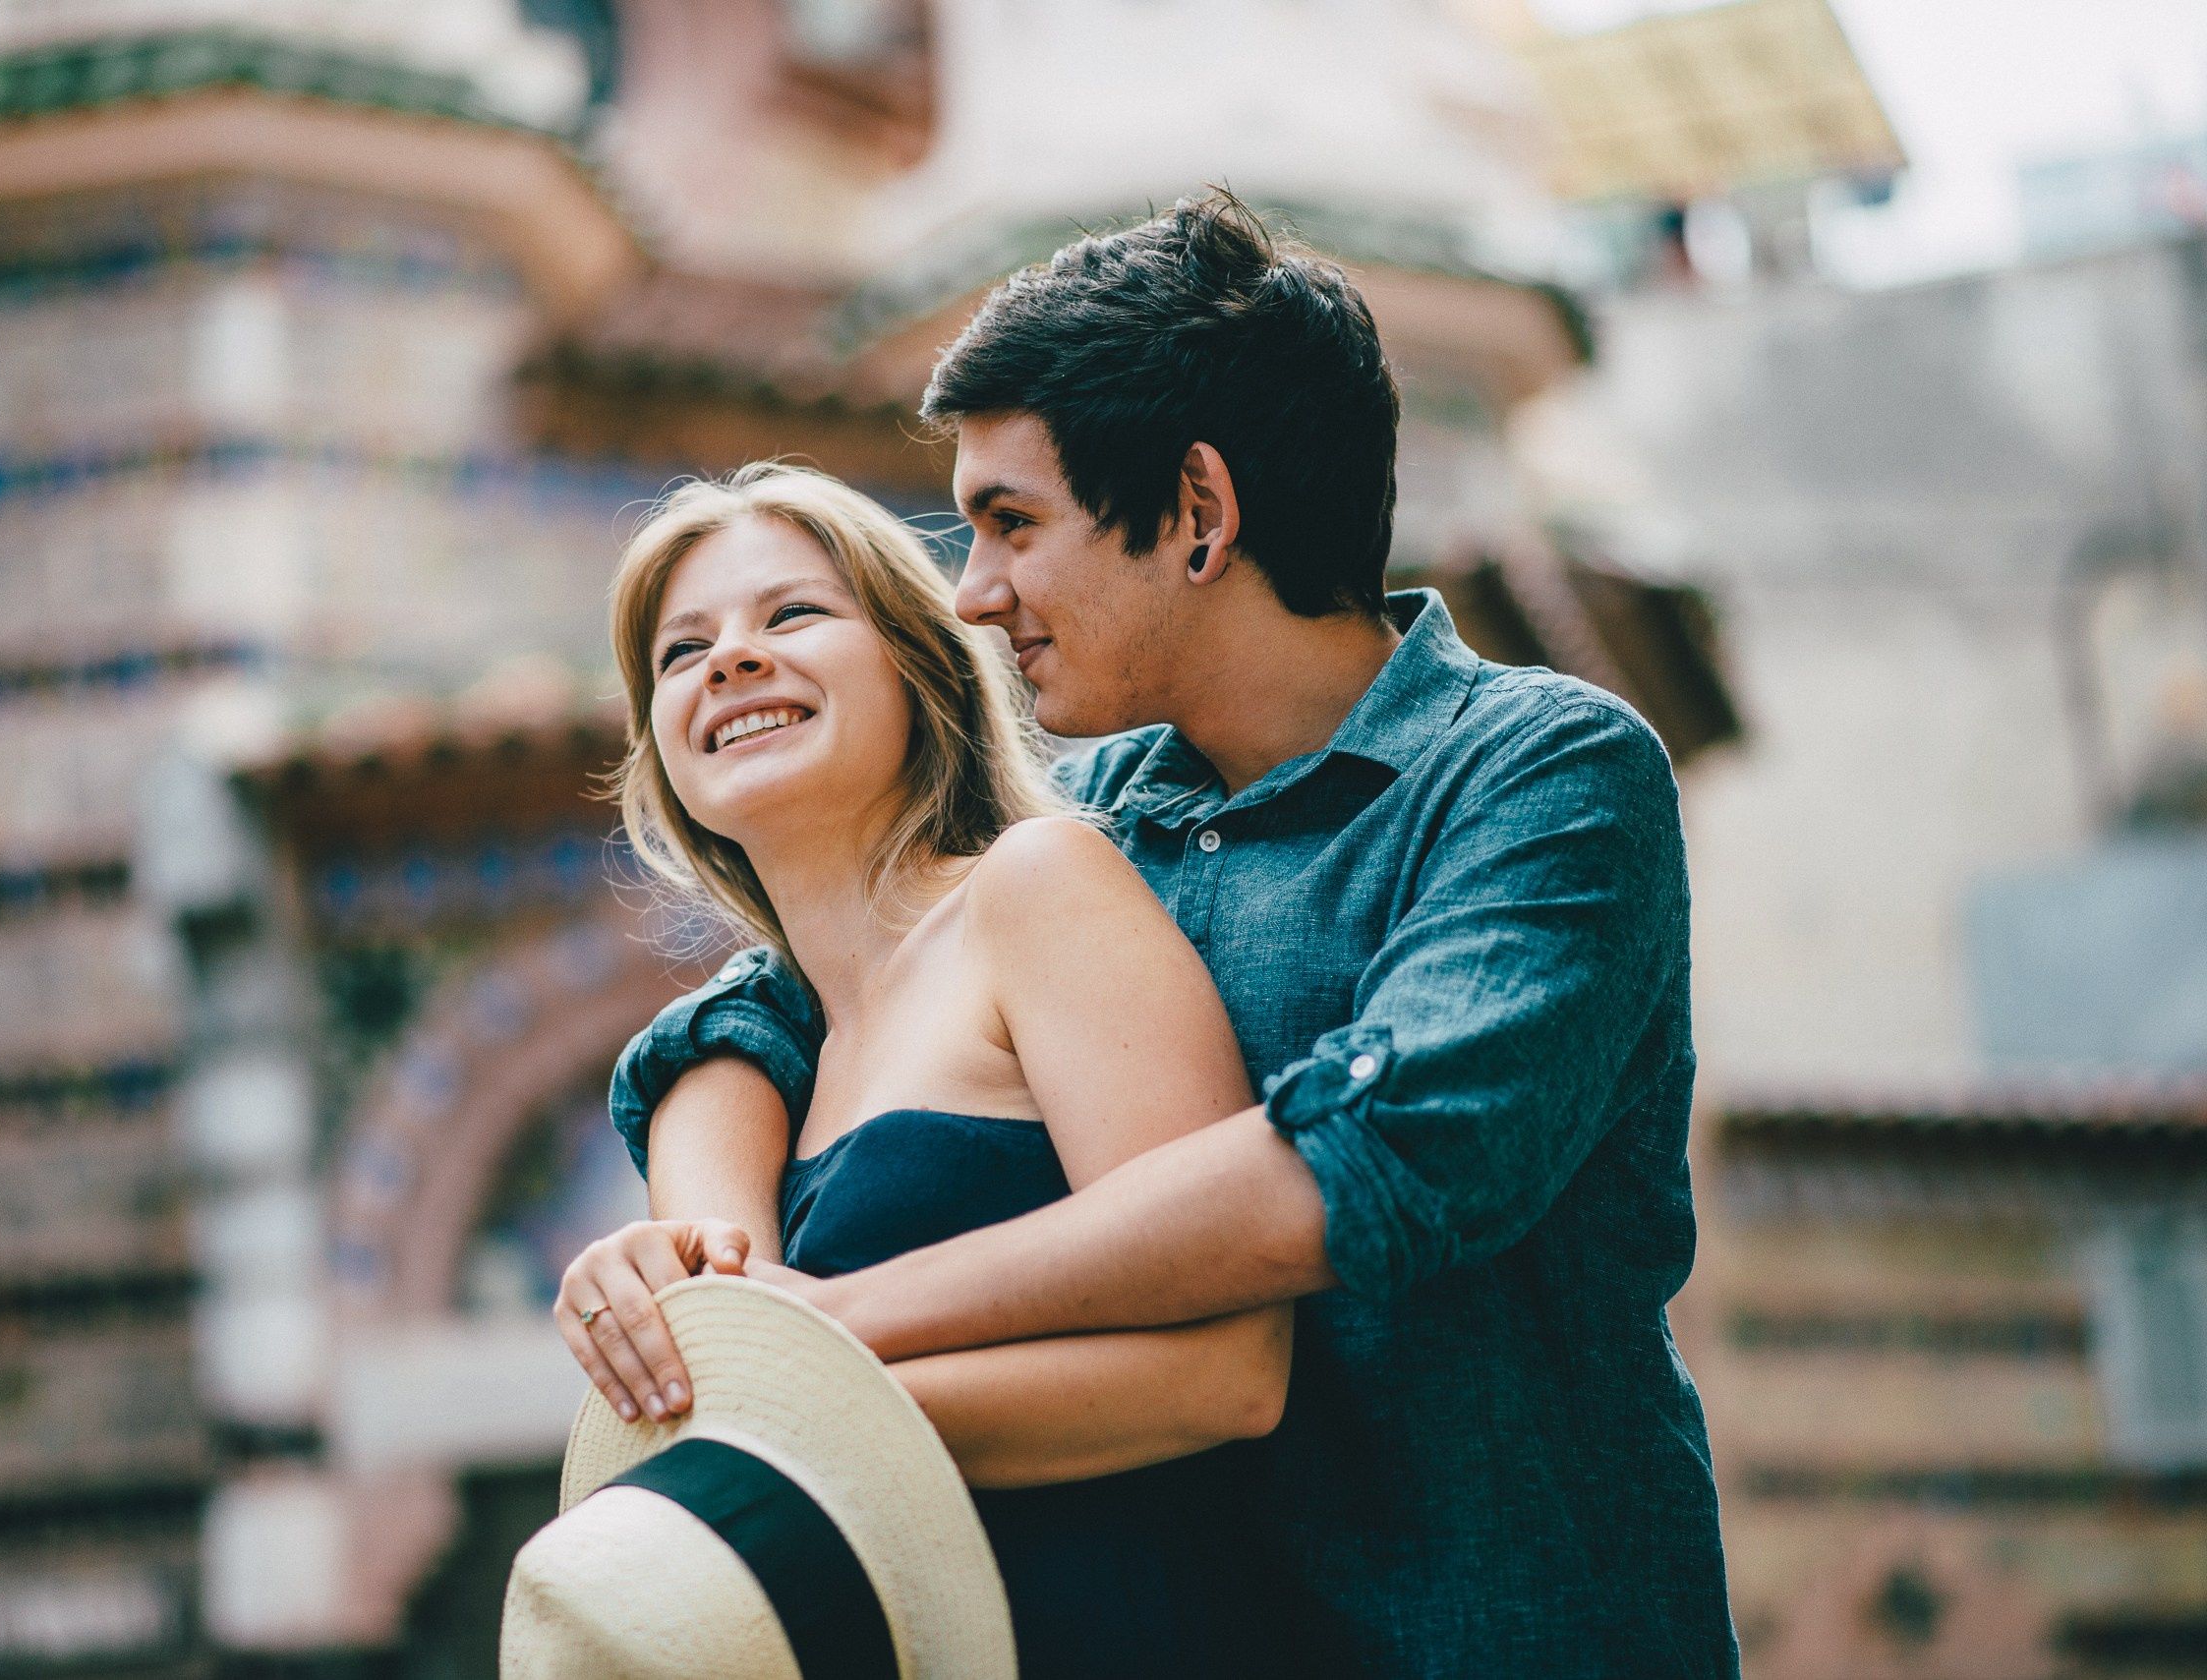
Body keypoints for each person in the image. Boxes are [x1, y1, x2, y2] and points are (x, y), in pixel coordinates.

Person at [570, 190, 1739, 1677]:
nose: (978, 596)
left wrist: (825, 1338)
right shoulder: (1108, 812)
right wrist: (704, 1273)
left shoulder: (1543, 774)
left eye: (1011, 526)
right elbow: (786, 996)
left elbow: (1368, 1163)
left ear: (1196, 511)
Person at [558, 461, 1322, 1676]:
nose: (729, 660)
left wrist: (803, 1413)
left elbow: (1232, 1370)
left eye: (792, 614)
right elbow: (726, 1371)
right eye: (680, 650)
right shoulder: (755, 1057)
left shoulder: (1034, 889)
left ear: (919, 664)